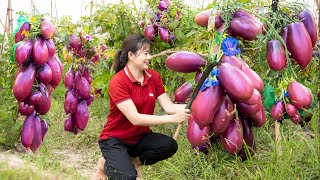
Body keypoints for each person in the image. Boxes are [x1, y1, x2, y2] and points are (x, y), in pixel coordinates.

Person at [95, 34, 190, 180]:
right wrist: (172, 119)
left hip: (139, 138)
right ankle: (105, 164)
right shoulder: (118, 82)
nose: (150, 57)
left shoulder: (153, 76)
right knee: (127, 178)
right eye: (145, 53)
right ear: (131, 55)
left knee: (169, 145)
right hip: (115, 140)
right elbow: (135, 119)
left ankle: (134, 162)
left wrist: (196, 106)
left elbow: (169, 106)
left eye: (149, 53)